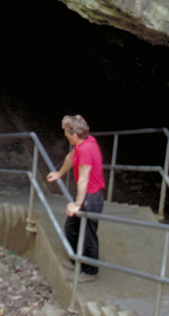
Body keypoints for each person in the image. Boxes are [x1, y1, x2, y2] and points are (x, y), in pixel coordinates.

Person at [46, 114, 104, 283]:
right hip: (85, 195)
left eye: (66, 132)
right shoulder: (82, 143)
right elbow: (70, 158)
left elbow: (84, 179)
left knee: (88, 235)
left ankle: (90, 272)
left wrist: (77, 204)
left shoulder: (86, 149)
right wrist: (59, 173)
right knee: (71, 229)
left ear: (74, 135)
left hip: (90, 198)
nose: (65, 135)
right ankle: (76, 260)